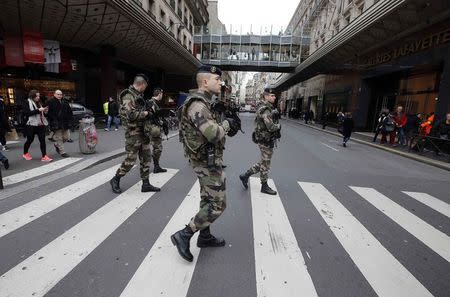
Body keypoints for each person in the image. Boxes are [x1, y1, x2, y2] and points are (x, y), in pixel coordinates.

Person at [171, 65, 239, 262]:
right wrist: (227, 124)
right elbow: (212, 133)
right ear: (205, 82)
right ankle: (184, 235)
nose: (220, 82)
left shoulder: (205, 102)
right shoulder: (198, 105)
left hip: (207, 159)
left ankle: (205, 236)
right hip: (205, 162)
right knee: (218, 204)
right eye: (217, 79)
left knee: (208, 200)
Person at [110, 74, 161, 194]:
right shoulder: (128, 95)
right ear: (142, 84)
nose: (146, 88)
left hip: (143, 132)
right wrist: (146, 114)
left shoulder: (139, 96)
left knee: (146, 158)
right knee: (130, 160)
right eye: (146, 86)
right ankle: (115, 179)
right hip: (133, 134)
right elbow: (130, 115)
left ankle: (146, 184)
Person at [239, 87, 281, 195]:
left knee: (264, 162)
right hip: (265, 140)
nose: (274, 97)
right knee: (266, 163)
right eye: (272, 96)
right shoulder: (265, 109)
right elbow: (271, 127)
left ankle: (245, 175)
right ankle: (264, 186)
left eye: (274, 95)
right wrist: (278, 126)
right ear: (265, 96)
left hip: (263, 139)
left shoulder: (265, 107)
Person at [22, 90, 53, 162]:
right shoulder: (26, 102)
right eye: (36, 96)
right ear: (32, 96)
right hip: (31, 125)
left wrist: (44, 111)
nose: (38, 97)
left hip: (40, 124)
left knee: (42, 140)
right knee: (30, 140)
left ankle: (44, 156)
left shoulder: (39, 103)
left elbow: (41, 113)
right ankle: (25, 153)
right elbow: (27, 113)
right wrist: (38, 110)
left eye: (39, 96)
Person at [144, 87, 167, 173]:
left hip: (152, 128)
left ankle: (155, 166)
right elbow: (152, 116)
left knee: (154, 147)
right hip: (153, 128)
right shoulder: (152, 103)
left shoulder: (153, 103)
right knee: (157, 148)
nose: (162, 96)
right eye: (162, 94)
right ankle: (156, 166)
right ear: (160, 94)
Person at [47, 90, 73, 157]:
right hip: (56, 123)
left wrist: (70, 120)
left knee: (66, 137)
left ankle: (56, 144)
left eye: (60, 94)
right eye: (58, 94)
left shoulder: (65, 102)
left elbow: (70, 112)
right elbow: (47, 113)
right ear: (54, 94)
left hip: (65, 123)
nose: (59, 96)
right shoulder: (50, 102)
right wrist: (52, 120)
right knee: (59, 138)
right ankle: (62, 152)